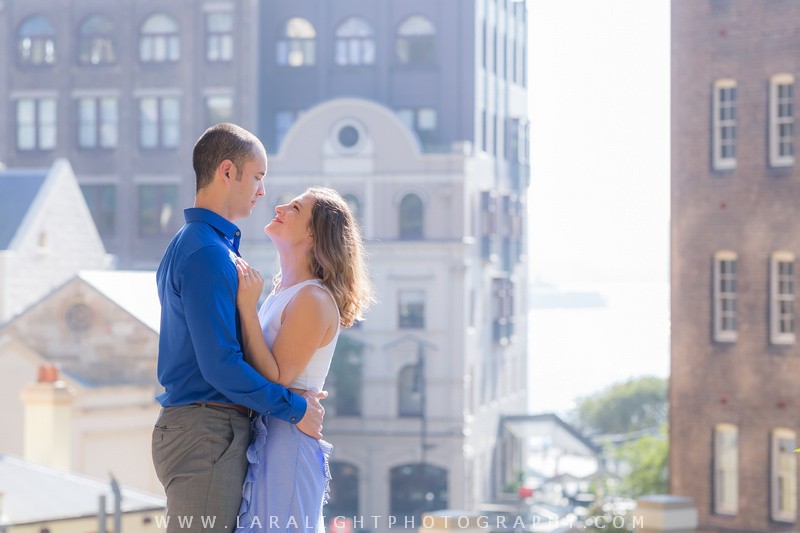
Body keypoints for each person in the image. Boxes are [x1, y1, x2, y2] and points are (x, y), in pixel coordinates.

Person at [151, 123, 326, 532]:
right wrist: (295, 408)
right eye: (258, 177)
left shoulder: (200, 244)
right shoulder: (207, 253)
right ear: (228, 172)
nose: (262, 191)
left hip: (206, 430)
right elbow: (220, 366)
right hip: (206, 431)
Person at [233, 186, 373, 532]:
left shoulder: (312, 298)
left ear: (313, 233)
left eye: (295, 207)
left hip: (288, 444)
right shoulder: (286, 292)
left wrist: (247, 309)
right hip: (274, 434)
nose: (280, 207)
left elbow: (277, 377)